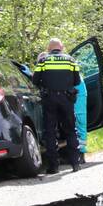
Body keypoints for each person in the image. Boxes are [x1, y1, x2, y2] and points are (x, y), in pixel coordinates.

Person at [33, 38, 82, 174]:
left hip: (49, 99)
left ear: (49, 48)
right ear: (61, 47)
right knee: (71, 130)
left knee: (50, 131)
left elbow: (35, 80)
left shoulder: (43, 60)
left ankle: (54, 166)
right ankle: (75, 163)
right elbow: (77, 81)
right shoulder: (71, 60)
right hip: (67, 98)